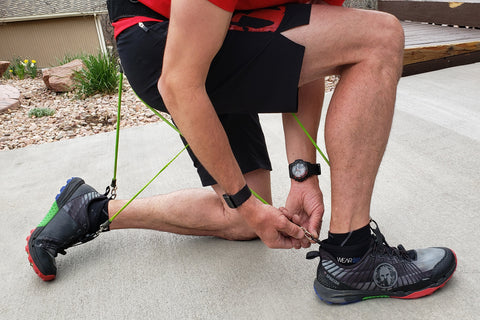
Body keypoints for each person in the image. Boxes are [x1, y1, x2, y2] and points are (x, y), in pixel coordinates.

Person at [26, 0, 456, 304]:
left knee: (241, 221)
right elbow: (178, 82)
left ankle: (92, 209)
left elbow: (316, 54)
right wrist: (250, 206)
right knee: (380, 36)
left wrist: (302, 174)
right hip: (163, 40)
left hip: (223, 26)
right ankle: (353, 254)